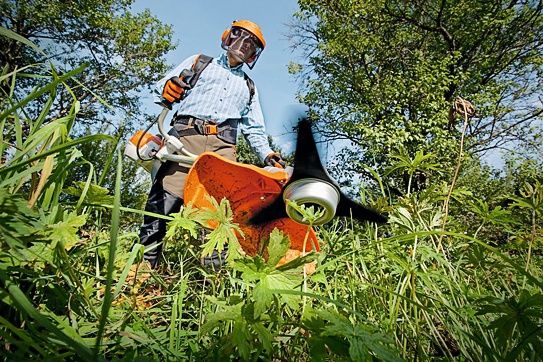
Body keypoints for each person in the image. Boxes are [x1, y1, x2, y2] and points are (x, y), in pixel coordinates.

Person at [137, 20, 285, 269]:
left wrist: (267, 153)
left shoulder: (249, 87)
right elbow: (160, 88)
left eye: (250, 45)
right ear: (228, 37)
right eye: (240, 38)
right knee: (165, 198)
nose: (243, 46)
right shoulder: (199, 63)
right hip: (186, 136)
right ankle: (144, 264)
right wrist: (168, 88)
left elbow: (254, 128)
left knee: (219, 210)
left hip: (223, 148)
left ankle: (212, 276)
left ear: (254, 55)